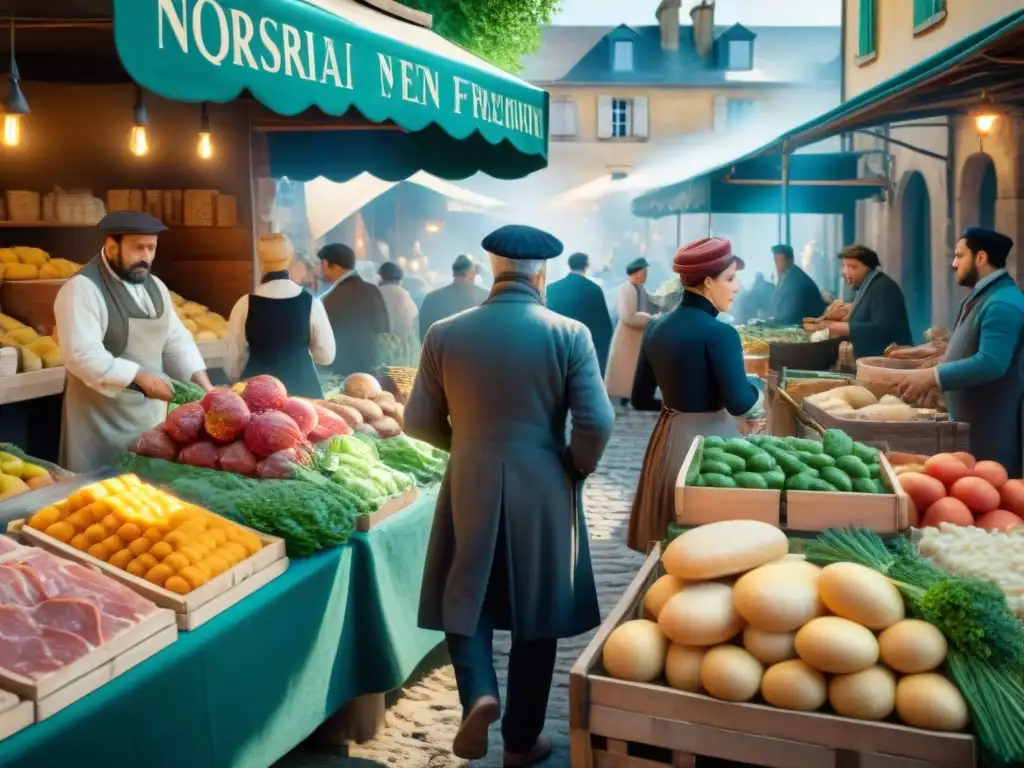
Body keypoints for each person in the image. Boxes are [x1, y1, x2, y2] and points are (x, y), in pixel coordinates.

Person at [404, 224, 614, 767]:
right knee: (537, 608)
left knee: (463, 590)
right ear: (542, 275)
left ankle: (478, 693)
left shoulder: (445, 332)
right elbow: (596, 421)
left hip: (469, 474)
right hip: (544, 480)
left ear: (492, 267)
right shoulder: (569, 333)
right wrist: (573, 467)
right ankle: (522, 742)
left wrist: (468, 444)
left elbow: (418, 420)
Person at [628, 238, 760, 553]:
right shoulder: (721, 333)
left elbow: (639, 398)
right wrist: (757, 387)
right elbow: (740, 402)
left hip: (669, 438)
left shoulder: (656, 327)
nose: (737, 287)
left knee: (669, 542)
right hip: (712, 446)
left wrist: (681, 403)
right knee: (708, 547)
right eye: (730, 278)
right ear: (707, 282)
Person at [54, 211, 213, 472]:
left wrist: (204, 386)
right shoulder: (82, 289)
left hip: (150, 421)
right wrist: (138, 376)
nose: (146, 257)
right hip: (100, 423)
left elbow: (175, 340)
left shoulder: (157, 287)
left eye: (152, 248)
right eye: (138, 248)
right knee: (100, 498)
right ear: (111, 245)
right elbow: (81, 355)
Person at [898, 227, 1024, 475]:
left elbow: (991, 363)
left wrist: (934, 376)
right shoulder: (985, 295)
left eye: (959, 255)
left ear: (981, 258)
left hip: (992, 432)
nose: (954, 263)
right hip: (973, 428)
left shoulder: (1002, 302)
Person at [225, 234, 335, 398]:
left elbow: (233, 365)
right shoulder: (311, 303)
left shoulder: (244, 304)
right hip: (303, 395)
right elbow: (326, 356)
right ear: (289, 259)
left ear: (261, 260)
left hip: (257, 397)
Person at [819, 244, 913, 359]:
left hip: (890, 364)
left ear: (868, 268)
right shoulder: (869, 285)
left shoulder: (883, 287)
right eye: (844, 266)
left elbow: (881, 330)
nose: (845, 271)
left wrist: (840, 327)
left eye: (852, 267)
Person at [319, 243, 389, 376]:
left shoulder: (331, 297)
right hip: (374, 370)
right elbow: (384, 329)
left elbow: (323, 341)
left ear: (325, 264)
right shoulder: (372, 290)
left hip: (341, 375)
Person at [546, 252, 615, 375]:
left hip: (557, 344)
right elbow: (603, 325)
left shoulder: (552, 288)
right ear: (586, 265)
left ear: (569, 265)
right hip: (584, 346)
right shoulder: (594, 289)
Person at [605, 257, 658, 404]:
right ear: (636, 273)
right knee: (627, 372)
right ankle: (625, 398)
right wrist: (650, 320)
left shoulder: (639, 288)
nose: (645, 276)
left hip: (639, 337)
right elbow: (628, 316)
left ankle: (636, 396)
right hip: (629, 337)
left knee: (637, 371)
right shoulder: (626, 289)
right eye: (643, 272)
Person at [418, 254, 489, 341]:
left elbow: (423, 334)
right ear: (472, 273)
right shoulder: (487, 296)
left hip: (442, 352)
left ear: (454, 272)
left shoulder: (432, 298)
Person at [768, 244, 826, 325]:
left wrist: (772, 322)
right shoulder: (787, 275)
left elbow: (791, 313)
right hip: (794, 325)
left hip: (803, 327)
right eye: (775, 260)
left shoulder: (797, 280)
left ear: (790, 260)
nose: (777, 265)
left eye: (780, 260)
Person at [377, 261, 419, 339]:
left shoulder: (374, 294)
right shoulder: (407, 297)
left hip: (380, 346)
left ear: (380, 277)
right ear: (401, 280)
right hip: (406, 346)